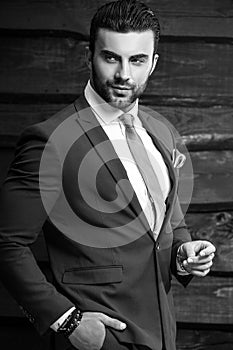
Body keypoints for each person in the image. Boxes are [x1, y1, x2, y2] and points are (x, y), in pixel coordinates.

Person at [0, 1, 215, 349]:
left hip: (163, 334)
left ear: (154, 64)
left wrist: (184, 254)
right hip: (99, 337)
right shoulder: (50, 140)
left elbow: (166, 228)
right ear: (89, 56)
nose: (124, 75)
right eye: (111, 57)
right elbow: (6, 242)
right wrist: (67, 321)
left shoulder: (163, 134)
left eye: (137, 60)